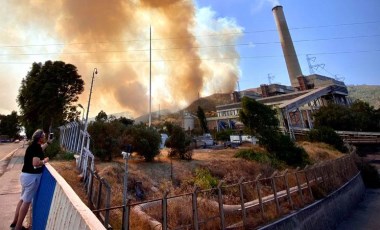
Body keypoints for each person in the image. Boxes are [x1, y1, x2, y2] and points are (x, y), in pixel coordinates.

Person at [10, 129, 50, 230]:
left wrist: (48, 143)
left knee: (22, 199)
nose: (44, 137)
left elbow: (41, 148)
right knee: (26, 202)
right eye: (44, 136)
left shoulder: (32, 146)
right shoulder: (36, 148)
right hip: (32, 177)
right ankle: (18, 227)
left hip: (25, 175)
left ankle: (15, 222)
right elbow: (35, 163)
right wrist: (44, 161)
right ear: (40, 138)